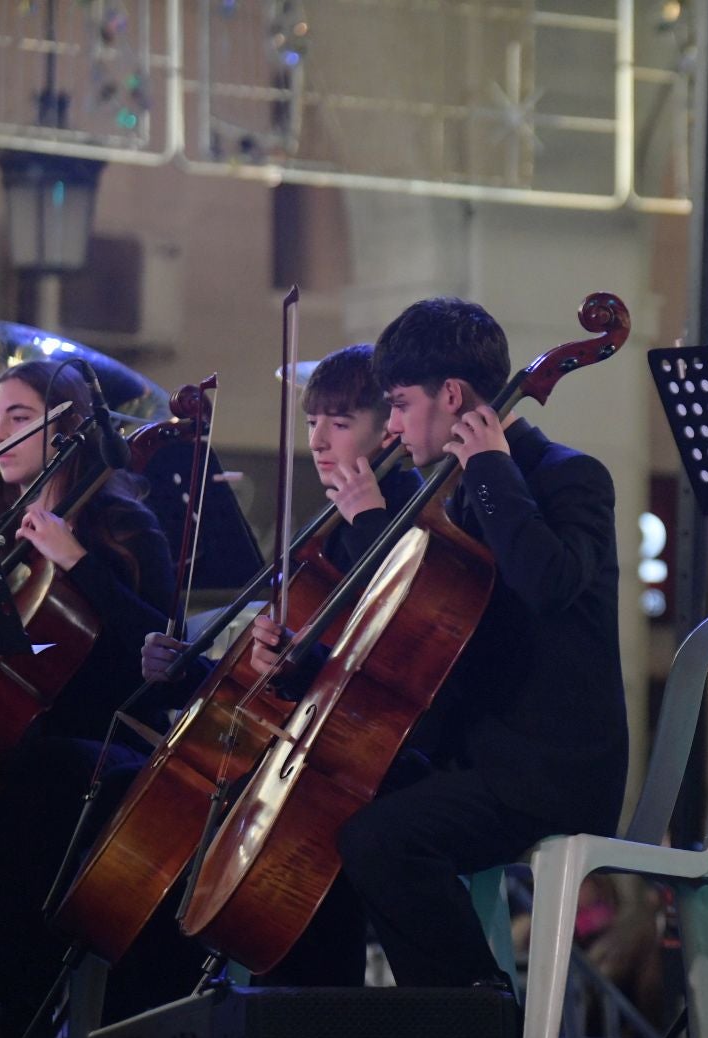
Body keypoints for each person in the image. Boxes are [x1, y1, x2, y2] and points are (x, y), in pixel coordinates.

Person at [330, 296, 629, 989]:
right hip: (478, 760)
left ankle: (475, 1027)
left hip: (551, 771)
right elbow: (419, 633)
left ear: (454, 395)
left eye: (400, 405)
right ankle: (331, 1025)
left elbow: (549, 583)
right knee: (333, 813)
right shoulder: (452, 496)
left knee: (381, 840)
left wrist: (493, 470)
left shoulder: (568, 477)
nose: (395, 429)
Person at [139, 341, 423, 988]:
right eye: (312, 421)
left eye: (341, 423)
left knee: (272, 814)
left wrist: (365, 522)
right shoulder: (334, 521)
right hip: (321, 735)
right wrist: (187, 672)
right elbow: (295, 664)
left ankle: (300, 1022)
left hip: (378, 748)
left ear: (389, 432)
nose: (319, 440)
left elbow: (389, 643)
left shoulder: (399, 508)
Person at [0, 360, 189, 1038]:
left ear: (66, 429)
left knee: (35, 784)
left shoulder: (123, 523)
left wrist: (77, 563)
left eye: (20, 419)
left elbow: (162, 660)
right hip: (18, 732)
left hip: (107, 742)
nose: (1, 433)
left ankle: (9, 1027)